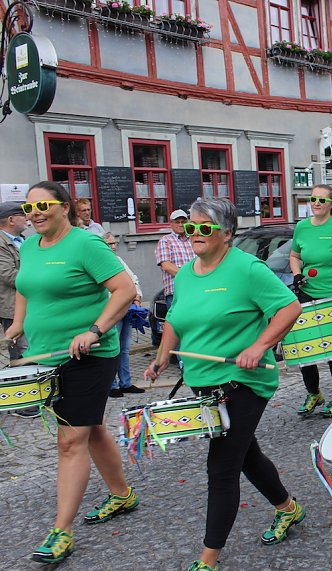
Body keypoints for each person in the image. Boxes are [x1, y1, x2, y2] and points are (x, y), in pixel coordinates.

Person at [144, 198, 303, 571]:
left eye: (205, 227)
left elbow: (289, 307)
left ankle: (207, 560)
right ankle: (288, 509)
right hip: (202, 381)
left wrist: (260, 345)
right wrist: (164, 355)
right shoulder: (185, 273)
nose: (195, 234)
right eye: (192, 227)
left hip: (243, 380)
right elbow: (175, 318)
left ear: (227, 233)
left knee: (222, 466)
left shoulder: (247, 268)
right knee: (246, 455)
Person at [4, 181, 138, 565]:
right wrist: (18, 324)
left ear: (64, 207)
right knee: (89, 427)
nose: (35, 213)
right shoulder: (29, 246)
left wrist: (94, 330)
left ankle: (61, 531)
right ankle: (122, 494)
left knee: (70, 439)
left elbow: (125, 289)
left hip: (89, 355)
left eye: (44, 205)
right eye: (29, 208)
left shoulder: (86, 244)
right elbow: (26, 288)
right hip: (46, 355)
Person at [289, 185, 332, 417]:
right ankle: (314, 392)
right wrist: (297, 274)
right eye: (313, 198)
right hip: (308, 291)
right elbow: (295, 256)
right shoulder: (302, 227)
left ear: (331, 204)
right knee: (305, 347)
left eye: (321, 200)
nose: (316, 203)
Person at [102, 233, 145, 398]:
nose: (113, 247)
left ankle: (125, 382)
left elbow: (133, 279)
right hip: (112, 310)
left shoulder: (118, 260)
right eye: (109, 244)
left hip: (127, 308)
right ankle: (112, 385)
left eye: (114, 243)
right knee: (113, 348)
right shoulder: (99, 262)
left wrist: (137, 296)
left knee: (124, 348)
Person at [0, 201, 28, 361]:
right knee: (24, 352)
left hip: (32, 304)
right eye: (22, 215)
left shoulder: (24, 240)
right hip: (13, 309)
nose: (27, 218)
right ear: (11, 220)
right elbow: (8, 274)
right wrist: (40, 281)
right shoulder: (1, 243)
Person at [155, 209, 194, 310]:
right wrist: (191, 276)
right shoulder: (165, 240)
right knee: (178, 324)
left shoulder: (194, 239)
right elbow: (166, 266)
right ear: (171, 224)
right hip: (176, 293)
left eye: (183, 222)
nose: (181, 225)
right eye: (177, 222)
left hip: (196, 290)